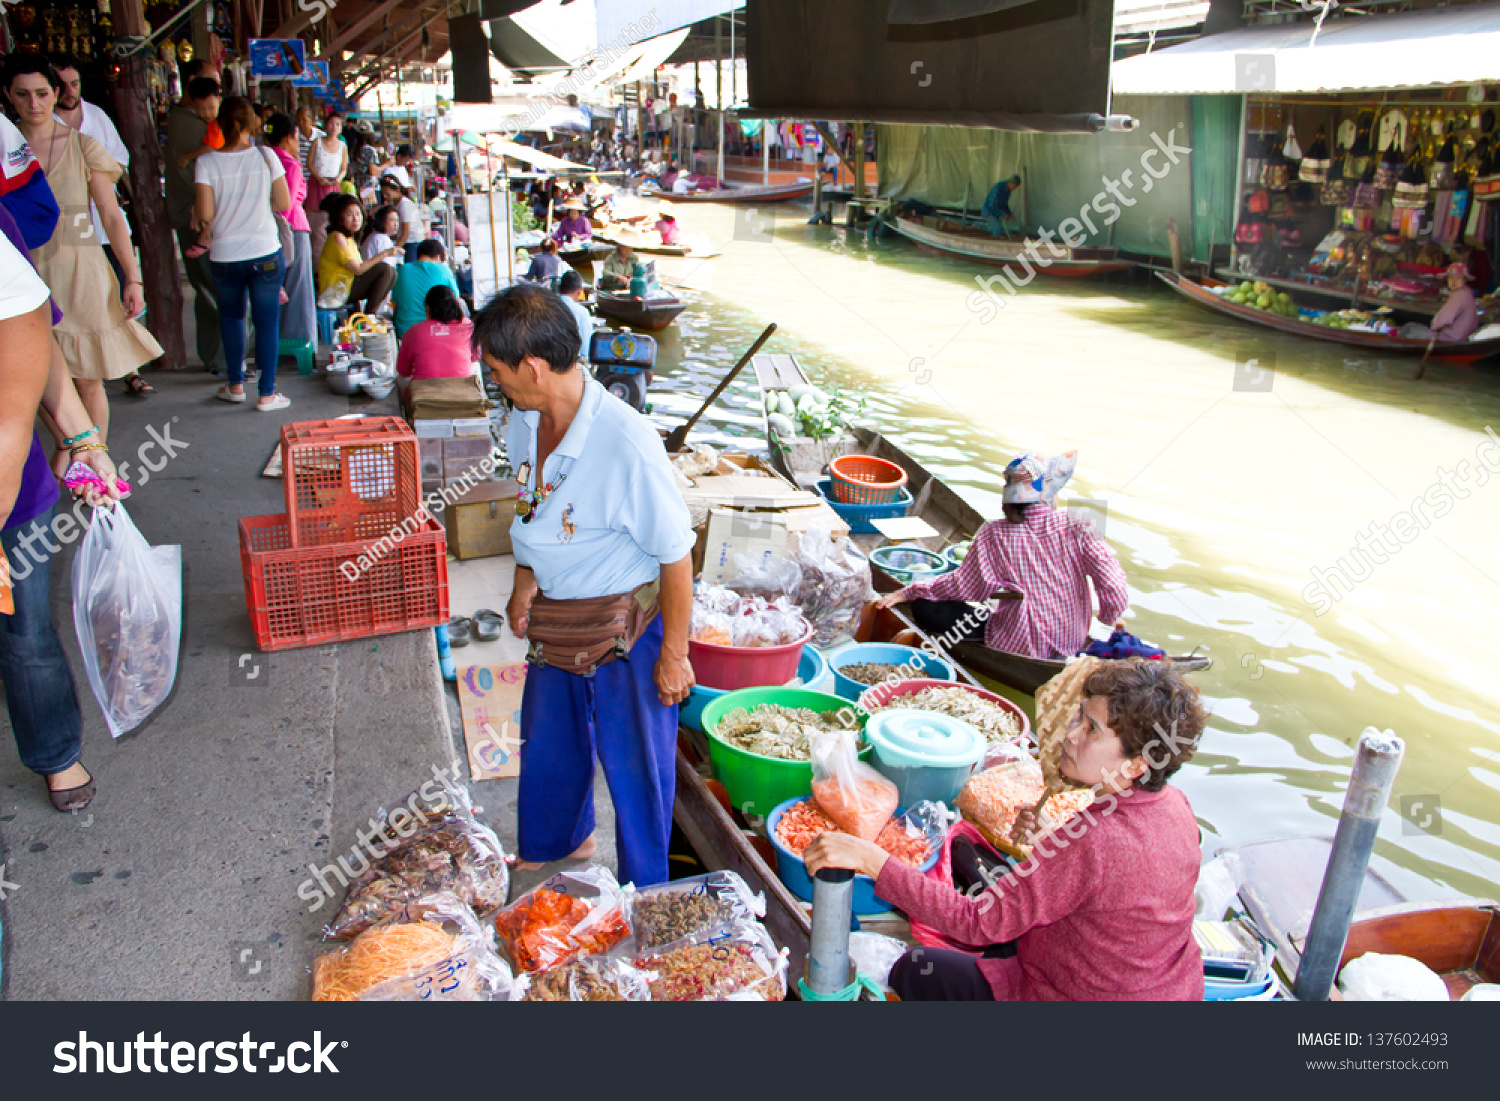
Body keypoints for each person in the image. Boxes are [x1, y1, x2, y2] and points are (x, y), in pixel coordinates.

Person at [805, 658, 1206, 1001]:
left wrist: (872, 859)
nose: (1070, 734)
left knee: (916, 967)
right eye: (1080, 716)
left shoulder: (1094, 840)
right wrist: (1049, 849)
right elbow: (1111, 889)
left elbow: (975, 922)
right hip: (1171, 988)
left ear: (1136, 764)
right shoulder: (1176, 806)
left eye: (1092, 731)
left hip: (1074, 993)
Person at [478, 283, 694, 888]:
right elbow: (532, 503)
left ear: (534, 367)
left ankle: (648, 891)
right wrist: (525, 579)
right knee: (551, 743)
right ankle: (560, 842)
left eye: (497, 370)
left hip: (626, 627)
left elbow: (677, 556)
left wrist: (675, 656)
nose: (494, 382)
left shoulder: (627, 444)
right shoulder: (527, 418)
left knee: (637, 767)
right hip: (559, 616)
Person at [0, 200, 125, 814]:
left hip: (8, 494)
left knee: (24, 630)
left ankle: (54, 753)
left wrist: (82, 440)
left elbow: (32, 339)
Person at [4, 55, 162, 444]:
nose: (34, 103)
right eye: (22, 95)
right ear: (8, 96)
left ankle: (94, 464)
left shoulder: (84, 145)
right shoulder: (6, 148)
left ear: (56, 93)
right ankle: (68, 448)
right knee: (38, 379)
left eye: (42, 93)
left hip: (82, 269)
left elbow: (110, 215)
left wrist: (133, 277)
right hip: (22, 272)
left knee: (89, 379)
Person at [875, 451, 1128, 659]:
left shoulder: (994, 533)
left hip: (1016, 644)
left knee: (925, 605)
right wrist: (1105, 623)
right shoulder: (1082, 522)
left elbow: (962, 586)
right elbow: (1114, 588)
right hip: (1072, 641)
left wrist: (909, 591)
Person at [50, 54, 153, 398]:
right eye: (61, 85)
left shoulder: (94, 117)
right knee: (74, 304)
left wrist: (95, 180)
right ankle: (77, 372)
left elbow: (119, 160)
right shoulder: (36, 128)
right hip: (65, 232)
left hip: (100, 219)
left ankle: (128, 367)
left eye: (74, 84)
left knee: (119, 294)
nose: (68, 91)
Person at [195, 96, 292, 411]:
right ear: (252, 124)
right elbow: (284, 203)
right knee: (266, 323)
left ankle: (235, 384)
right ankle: (266, 394)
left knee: (232, 318)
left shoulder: (206, 162)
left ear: (220, 123)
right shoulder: (266, 157)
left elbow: (206, 214)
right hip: (264, 250)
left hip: (225, 254)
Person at [164, 75, 225, 372]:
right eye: (202, 110)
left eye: (211, 108)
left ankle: (220, 357)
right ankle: (220, 359)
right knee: (213, 289)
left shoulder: (214, 128)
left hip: (205, 215)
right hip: (201, 216)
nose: (207, 114)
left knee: (212, 289)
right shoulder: (190, 124)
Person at [265, 113, 316, 351]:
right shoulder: (289, 164)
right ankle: (301, 346)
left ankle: (275, 345)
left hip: (265, 231)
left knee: (274, 290)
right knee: (298, 290)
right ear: (289, 137)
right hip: (292, 229)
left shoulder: (262, 159)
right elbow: (285, 205)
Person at [319, 193, 399, 317]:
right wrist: (385, 253)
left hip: (346, 287)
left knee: (392, 273)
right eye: (349, 214)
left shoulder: (349, 239)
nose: (355, 219)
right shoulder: (337, 237)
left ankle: (370, 315)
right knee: (385, 269)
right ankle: (368, 316)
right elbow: (357, 269)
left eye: (358, 214)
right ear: (339, 217)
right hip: (336, 291)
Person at [394, 283, 474, 390]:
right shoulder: (468, 325)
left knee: (400, 379)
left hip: (425, 396)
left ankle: (406, 405)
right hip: (460, 390)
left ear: (427, 308)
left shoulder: (414, 331)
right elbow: (475, 356)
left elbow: (403, 370)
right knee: (474, 365)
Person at [390, 238, 459, 339]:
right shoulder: (443, 269)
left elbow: (394, 305)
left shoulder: (401, 271)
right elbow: (456, 300)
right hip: (435, 334)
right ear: (438, 257)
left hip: (404, 333)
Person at [304, 109, 348, 264]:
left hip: (333, 186)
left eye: (337, 124)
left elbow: (343, 167)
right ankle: (316, 264)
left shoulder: (342, 145)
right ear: (325, 125)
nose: (334, 127)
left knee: (334, 221)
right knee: (316, 226)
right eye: (331, 123)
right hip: (317, 185)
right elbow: (309, 164)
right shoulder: (317, 142)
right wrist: (319, 178)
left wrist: (338, 178)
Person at [1400, 262, 1479, 343]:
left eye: (1458, 278)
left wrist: (1435, 326)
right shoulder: (1467, 292)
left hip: (1450, 339)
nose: (1453, 281)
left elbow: (1443, 319)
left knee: (1409, 328)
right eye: (1451, 278)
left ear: (1465, 280)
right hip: (1461, 337)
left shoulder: (1460, 294)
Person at [379, 173, 427, 262]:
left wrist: (394, 251)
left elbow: (405, 234)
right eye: (383, 194)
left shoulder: (404, 205)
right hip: (407, 242)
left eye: (387, 193)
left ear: (397, 190)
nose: (385, 197)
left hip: (413, 243)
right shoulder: (395, 203)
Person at [361, 204, 402, 276]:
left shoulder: (376, 236)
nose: (396, 225)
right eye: (392, 220)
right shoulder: (382, 239)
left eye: (397, 221)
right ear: (382, 221)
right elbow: (387, 269)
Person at [557, 269, 591, 356]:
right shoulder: (582, 312)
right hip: (572, 362)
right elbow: (585, 349)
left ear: (559, 289)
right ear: (580, 291)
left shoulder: (546, 307)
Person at [295, 106, 322, 175]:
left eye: (304, 120)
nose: (301, 123)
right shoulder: (293, 136)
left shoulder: (321, 137)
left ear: (312, 120)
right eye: (298, 120)